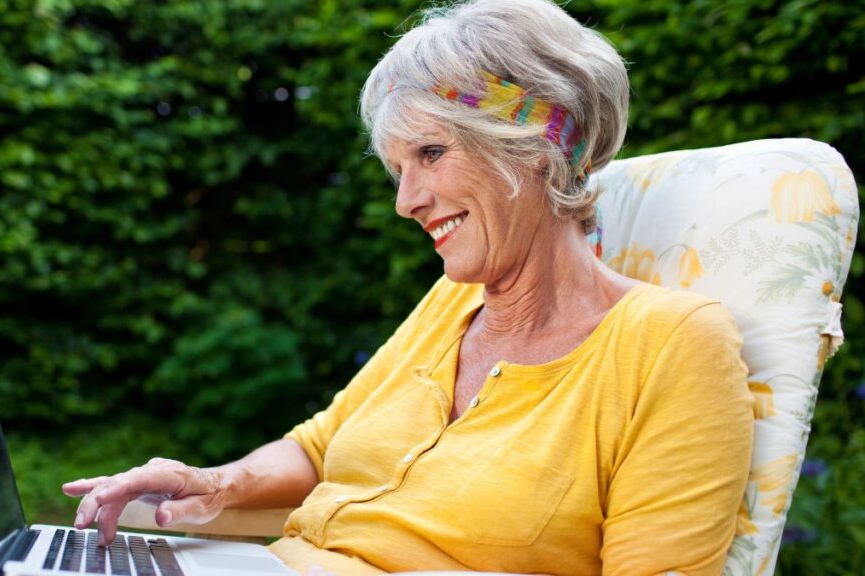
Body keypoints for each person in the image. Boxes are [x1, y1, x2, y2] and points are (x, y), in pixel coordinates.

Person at [63, 0, 754, 574]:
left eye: (431, 154)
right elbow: (316, 447)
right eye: (399, 168)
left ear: (538, 150)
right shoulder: (456, 300)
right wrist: (215, 483)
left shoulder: (673, 344)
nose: (407, 201)